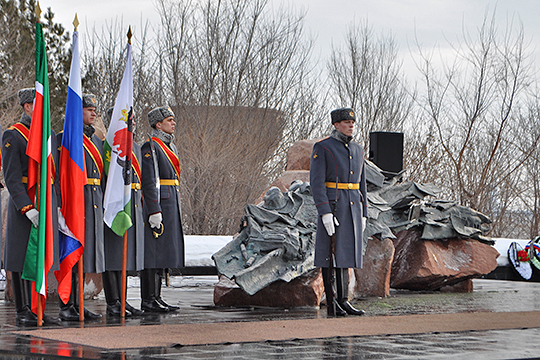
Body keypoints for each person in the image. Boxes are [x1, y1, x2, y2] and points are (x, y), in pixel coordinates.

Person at [2, 88, 60, 325]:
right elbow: (12, 177)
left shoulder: (47, 136)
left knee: (38, 257)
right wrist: (26, 207)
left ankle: (37, 308)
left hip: (43, 202)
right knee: (19, 256)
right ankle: (22, 309)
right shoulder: (13, 136)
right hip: (24, 205)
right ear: (27, 106)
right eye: (39, 105)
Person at [309, 107, 367, 317]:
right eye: (346, 122)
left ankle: (344, 300)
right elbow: (316, 183)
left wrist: (364, 212)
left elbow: (362, 184)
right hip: (334, 206)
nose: (351, 125)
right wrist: (324, 211)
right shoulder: (323, 148)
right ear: (336, 125)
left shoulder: (358, 150)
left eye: (352, 122)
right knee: (328, 255)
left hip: (352, 205)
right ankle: (333, 301)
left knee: (346, 254)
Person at [57, 94, 103, 321]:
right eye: (88, 109)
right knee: (71, 252)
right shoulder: (63, 138)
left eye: (95, 109)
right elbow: (59, 174)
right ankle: (66, 305)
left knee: (84, 255)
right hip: (74, 203)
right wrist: (58, 204)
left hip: (92, 203)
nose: (93, 113)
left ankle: (77, 304)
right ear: (77, 111)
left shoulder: (95, 141)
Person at [140, 106, 184, 312]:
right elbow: (149, 181)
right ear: (158, 124)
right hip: (160, 202)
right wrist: (153, 209)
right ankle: (148, 298)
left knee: (164, 252)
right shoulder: (150, 147)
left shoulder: (170, 147)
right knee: (154, 252)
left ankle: (156, 296)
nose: (173, 123)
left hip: (171, 200)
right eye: (169, 120)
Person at [102, 107, 144, 317]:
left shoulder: (135, 146)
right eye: (128, 120)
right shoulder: (108, 146)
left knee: (124, 257)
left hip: (131, 202)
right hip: (114, 204)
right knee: (112, 255)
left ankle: (123, 300)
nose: (132, 123)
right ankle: (113, 301)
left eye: (133, 120)